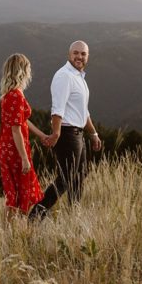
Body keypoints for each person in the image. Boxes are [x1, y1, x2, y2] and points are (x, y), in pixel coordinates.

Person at [30, 40, 102, 220]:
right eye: (76, 53)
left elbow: (83, 112)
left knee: (79, 175)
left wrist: (93, 134)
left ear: (88, 56)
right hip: (67, 133)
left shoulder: (79, 78)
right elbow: (57, 109)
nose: (79, 56)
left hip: (78, 134)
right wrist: (56, 133)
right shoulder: (64, 76)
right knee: (65, 178)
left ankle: (74, 215)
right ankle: (34, 216)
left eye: (83, 54)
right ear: (69, 54)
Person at [0, 53, 48, 221]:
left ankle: (11, 230)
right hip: (15, 148)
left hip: (6, 146)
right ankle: (16, 230)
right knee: (20, 191)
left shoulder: (9, 93)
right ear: (22, 71)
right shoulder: (16, 95)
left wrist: (41, 135)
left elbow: (22, 120)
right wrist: (24, 158)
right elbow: (16, 129)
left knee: (13, 192)